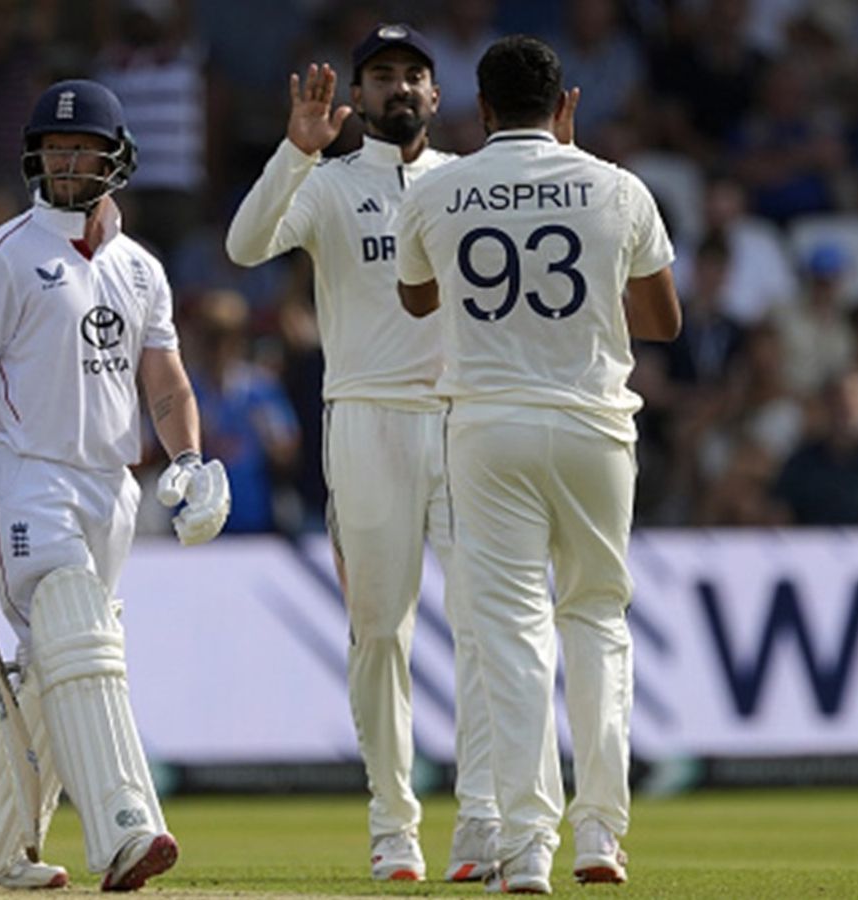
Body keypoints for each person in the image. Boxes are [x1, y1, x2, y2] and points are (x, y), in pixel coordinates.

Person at [0, 78, 230, 891]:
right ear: (33, 157)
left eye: (83, 149)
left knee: (53, 674)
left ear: (117, 159)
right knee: (80, 635)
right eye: (54, 148)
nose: (68, 162)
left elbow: (168, 385)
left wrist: (187, 459)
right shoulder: (1, 256)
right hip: (23, 473)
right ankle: (125, 829)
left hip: (109, 486)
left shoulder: (142, 269)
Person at [394, 35, 680, 894]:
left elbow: (415, 297)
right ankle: (600, 835)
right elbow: (662, 320)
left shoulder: (439, 188)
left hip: (486, 429)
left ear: (478, 112)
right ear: (569, 106)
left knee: (512, 636)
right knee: (595, 620)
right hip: (593, 425)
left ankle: (525, 847)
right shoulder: (618, 186)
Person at [225, 23, 499, 882]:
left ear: (438, 93)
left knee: (488, 627)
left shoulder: (467, 182)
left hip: (461, 421)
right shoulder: (329, 183)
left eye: (413, 75)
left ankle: (485, 818)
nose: (399, 89)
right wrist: (293, 153)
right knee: (380, 631)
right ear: (358, 96)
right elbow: (244, 246)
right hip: (365, 421)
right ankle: (394, 823)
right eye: (381, 77)